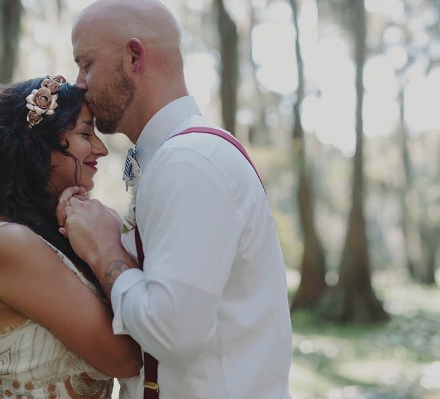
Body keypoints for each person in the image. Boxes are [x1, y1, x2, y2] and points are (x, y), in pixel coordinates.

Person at [58, 1, 293, 398]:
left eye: (87, 64)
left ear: (133, 57)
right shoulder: (176, 157)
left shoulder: (189, 161)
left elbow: (172, 331)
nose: (78, 82)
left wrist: (102, 250)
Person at [0, 76, 143, 399]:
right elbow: (127, 357)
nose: (101, 148)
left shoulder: (41, 238)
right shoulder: (9, 243)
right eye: (84, 132)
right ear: (33, 141)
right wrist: (105, 244)